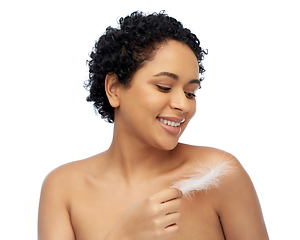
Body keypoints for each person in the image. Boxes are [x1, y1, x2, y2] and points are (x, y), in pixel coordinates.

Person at [38, 11, 269, 240]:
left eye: (190, 93)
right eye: (164, 87)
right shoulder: (63, 189)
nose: (183, 105)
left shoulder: (218, 174)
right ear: (114, 88)